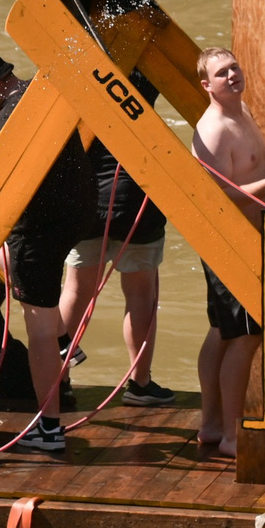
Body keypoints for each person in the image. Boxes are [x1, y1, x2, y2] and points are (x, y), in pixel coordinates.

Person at [0, 49, 105, 456]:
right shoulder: (37, 92)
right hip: (76, 213)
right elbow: (8, 121)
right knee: (15, 272)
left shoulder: (11, 117)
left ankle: (49, 429)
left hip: (38, 228)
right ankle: (63, 336)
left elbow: (3, 175)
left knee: (35, 329)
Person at [190, 48, 265, 459]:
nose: (232, 76)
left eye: (235, 67)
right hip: (230, 238)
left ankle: (212, 426)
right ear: (207, 85)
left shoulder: (242, 111)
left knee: (222, 332)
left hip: (251, 235)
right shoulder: (214, 130)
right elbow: (216, 198)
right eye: (222, 73)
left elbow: (251, 169)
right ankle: (232, 438)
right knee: (246, 336)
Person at [78, 134, 176, 406]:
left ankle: (57, 381)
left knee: (77, 291)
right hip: (135, 201)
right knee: (140, 294)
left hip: (85, 200)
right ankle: (140, 384)